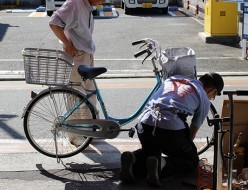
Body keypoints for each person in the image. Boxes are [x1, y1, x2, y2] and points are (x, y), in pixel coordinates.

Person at [119, 73, 224, 186]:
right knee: (191, 161)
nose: (212, 98)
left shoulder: (174, 79)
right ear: (212, 90)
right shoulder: (203, 96)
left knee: (151, 150)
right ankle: (161, 164)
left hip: (144, 124)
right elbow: (193, 130)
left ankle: (133, 158)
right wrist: (185, 147)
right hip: (169, 129)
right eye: (214, 95)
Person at [49, 0, 105, 145]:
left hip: (86, 54)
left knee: (90, 95)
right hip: (77, 56)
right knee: (76, 96)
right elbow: (54, 23)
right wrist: (68, 45)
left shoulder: (86, 6)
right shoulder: (74, 3)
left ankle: (88, 130)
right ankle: (74, 134)